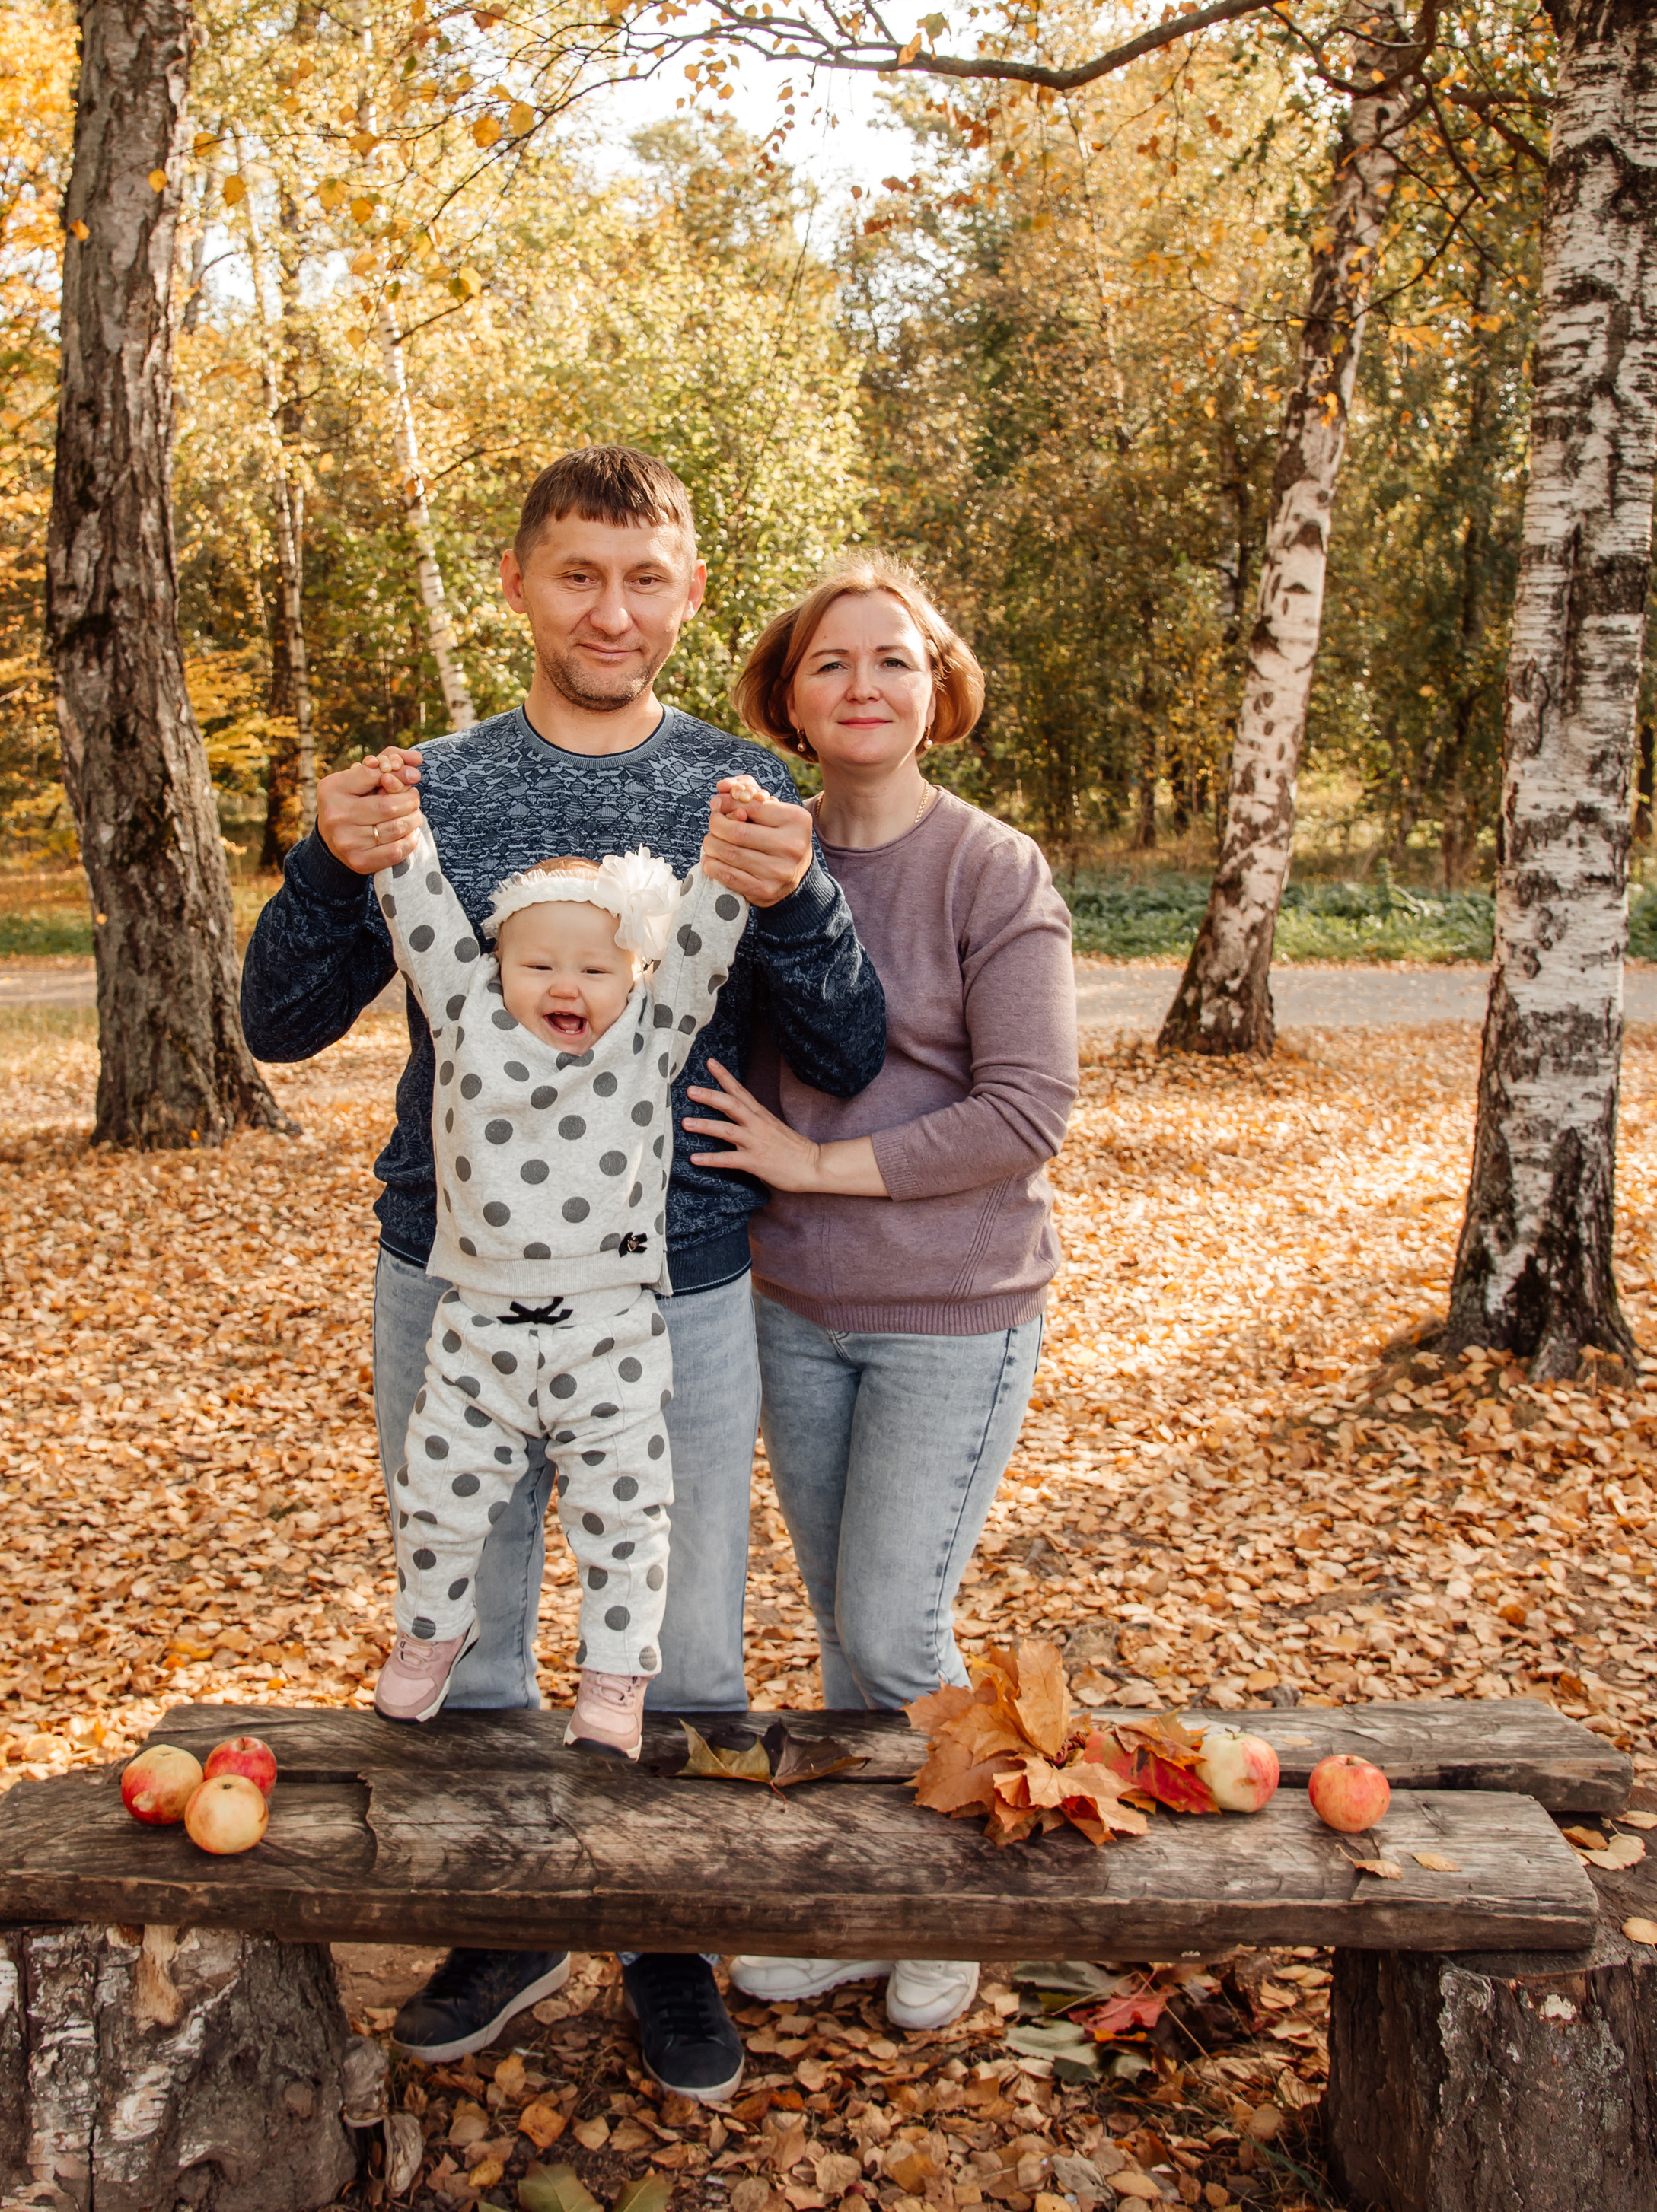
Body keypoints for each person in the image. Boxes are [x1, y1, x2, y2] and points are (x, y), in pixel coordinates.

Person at [239, 444, 886, 2101]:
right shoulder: (430, 786)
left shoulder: (742, 789)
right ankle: (507, 1920)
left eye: (646, 577)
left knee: (675, 1638)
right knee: (468, 1627)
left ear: (684, 589)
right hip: (443, 1277)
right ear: (520, 582)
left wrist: (800, 900)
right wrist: (322, 864)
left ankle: (663, 1932)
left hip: (673, 1287)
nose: (614, 610)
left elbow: (847, 1048)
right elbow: (277, 1023)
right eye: (579, 574)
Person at [681, 553, 1077, 2035]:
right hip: (791, 1307)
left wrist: (812, 1161)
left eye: (893, 661)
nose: (863, 685)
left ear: (938, 692)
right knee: (845, 1641)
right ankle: (862, 1907)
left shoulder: (990, 868)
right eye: (831, 663)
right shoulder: (760, 862)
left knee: (898, 1627)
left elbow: (1028, 1109)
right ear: (788, 696)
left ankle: (955, 1910)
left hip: (952, 1313)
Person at [368, 796, 750, 1758]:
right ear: (497, 966)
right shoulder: (465, 1015)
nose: (564, 985)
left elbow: (705, 938)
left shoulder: (649, 1036)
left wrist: (727, 855)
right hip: (476, 1328)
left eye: (593, 968)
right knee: (436, 1500)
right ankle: (432, 1630)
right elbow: (418, 911)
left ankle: (615, 1671)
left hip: (610, 1326)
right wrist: (394, 827)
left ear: (635, 976)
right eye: (538, 965)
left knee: (624, 1514)